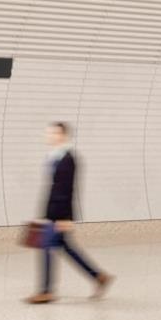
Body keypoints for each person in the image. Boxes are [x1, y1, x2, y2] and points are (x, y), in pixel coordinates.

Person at [25, 122, 113, 304]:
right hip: (53, 212)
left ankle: (46, 291)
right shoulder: (54, 156)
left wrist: (65, 218)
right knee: (67, 249)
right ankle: (99, 277)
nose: (48, 136)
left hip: (60, 213)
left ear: (62, 135)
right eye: (48, 133)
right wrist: (44, 214)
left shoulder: (68, 158)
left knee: (47, 247)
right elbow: (53, 188)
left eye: (53, 133)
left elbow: (67, 190)